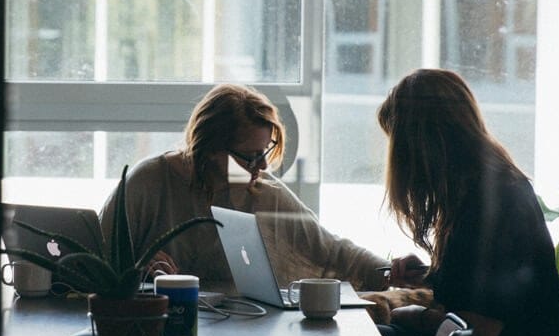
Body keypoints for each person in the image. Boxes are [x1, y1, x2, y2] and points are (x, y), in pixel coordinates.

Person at [375, 68, 559, 336]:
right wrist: (430, 275)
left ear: (422, 144)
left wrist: (417, 316)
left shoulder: (492, 204)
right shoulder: (483, 189)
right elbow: (481, 289)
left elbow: (485, 329)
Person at [100, 84, 389, 293]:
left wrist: (391, 271)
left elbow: (330, 249)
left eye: (266, 151)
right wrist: (137, 269)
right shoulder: (149, 181)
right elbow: (96, 254)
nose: (261, 166)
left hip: (239, 329)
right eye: (250, 156)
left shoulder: (254, 189)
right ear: (211, 149)